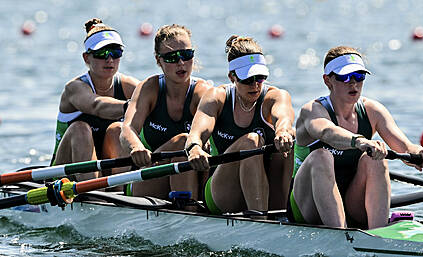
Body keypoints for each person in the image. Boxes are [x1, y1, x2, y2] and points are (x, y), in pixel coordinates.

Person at [288, 46, 423, 229]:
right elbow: (326, 132)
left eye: (359, 76)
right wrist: (359, 141)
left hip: (352, 201)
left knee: (377, 159)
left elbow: (406, 148)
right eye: (345, 77)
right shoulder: (312, 110)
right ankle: (340, 237)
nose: (353, 83)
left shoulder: (372, 110)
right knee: (321, 156)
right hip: (307, 206)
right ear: (327, 80)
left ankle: (378, 234)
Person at [186, 35, 295, 216]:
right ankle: (261, 221)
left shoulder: (276, 96)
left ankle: (279, 214)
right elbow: (196, 134)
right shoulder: (217, 97)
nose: (255, 85)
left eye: (259, 77)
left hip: (268, 187)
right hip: (223, 194)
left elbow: (284, 118)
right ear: (232, 77)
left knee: (285, 148)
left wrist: (283, 132)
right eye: (247, 79)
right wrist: (195, 148)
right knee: (251, 141)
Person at [118, 24, 212, 200]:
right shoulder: (149, 89)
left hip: (197, 176)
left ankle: (189, 208)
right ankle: (188, 211)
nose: (181, 63)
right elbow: (127, 130)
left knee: (188, 147)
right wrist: (136, 147)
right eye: (171, 57)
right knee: (183, 141)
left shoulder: (204, 93)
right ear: (158, 60)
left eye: (186, 55)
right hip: (148, 179)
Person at [51, 18, 139, 181]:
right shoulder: (75, 88)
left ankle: (118, 194)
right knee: (80, 129)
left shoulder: (129, 86)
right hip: (65, 174)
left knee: (117, 129)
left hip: (106, 173)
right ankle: (91, 192)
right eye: (101, 53)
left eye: (115, 52)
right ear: (86, 58)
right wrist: (133, 106)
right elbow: (97, 105)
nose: (109, 59)